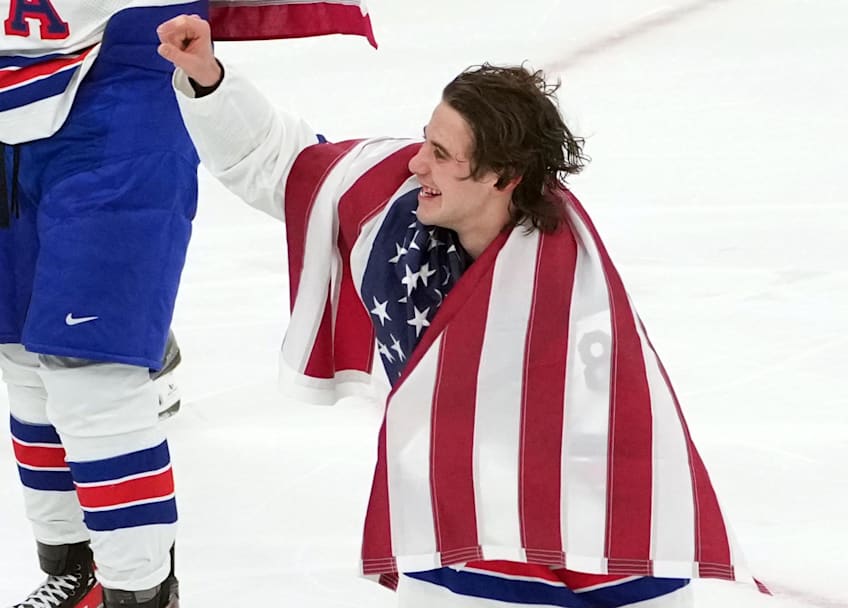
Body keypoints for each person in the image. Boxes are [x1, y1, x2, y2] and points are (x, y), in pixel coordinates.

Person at [157, 13, 768, 607]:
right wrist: (209, 80)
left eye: (442, 153)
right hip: (444, 528)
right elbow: (283, 165)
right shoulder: (393, 197)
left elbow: (617, 457)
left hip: (559, 544)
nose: (418, 162)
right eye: (427, 139)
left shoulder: (572, 300)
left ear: (502, 176)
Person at [2, 3, 374, 608]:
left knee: (90, 371)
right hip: (12, 97)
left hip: (123, 75)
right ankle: (76, 576)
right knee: (20, 358)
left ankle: (137, 593)